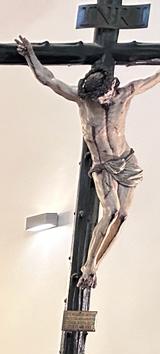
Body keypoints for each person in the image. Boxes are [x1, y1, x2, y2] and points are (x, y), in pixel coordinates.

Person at [16, 36, 160, 288]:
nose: (100, 101)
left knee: (123, 215)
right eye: (96, 98)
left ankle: (94, 266)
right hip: (103, 166)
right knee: (111, 211)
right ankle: (89, 266)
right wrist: (30, 55)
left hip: (126, 161)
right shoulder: (83, 100)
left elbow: (155, 78)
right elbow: (49, 80)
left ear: (112, 88)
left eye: (103, 97)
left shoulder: (126, 94)